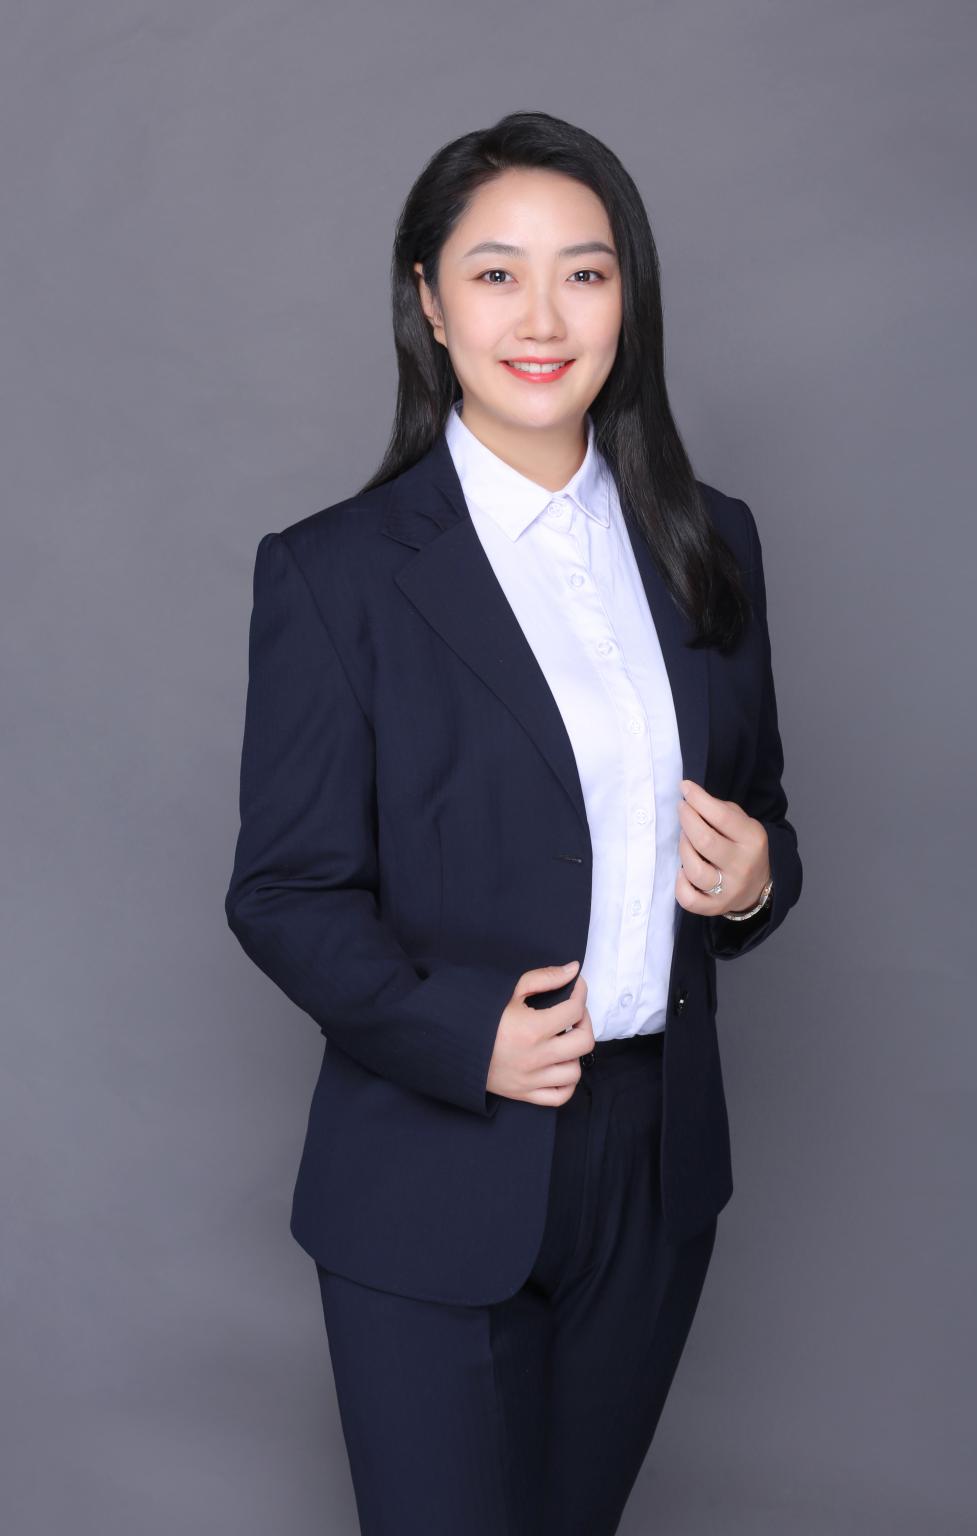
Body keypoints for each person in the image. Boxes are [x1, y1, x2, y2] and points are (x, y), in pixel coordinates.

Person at [224, 110, 802, 1536]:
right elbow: (284, 891)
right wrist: (459, 1030)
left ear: (628, 299)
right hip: (434, 1159)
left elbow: (763, 817)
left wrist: (750, 883)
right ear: (429, 300)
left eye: (584, 274)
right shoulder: (336, 574)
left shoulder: (710, 541)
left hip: (655, 1165)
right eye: (496, 274)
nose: (542, 319)